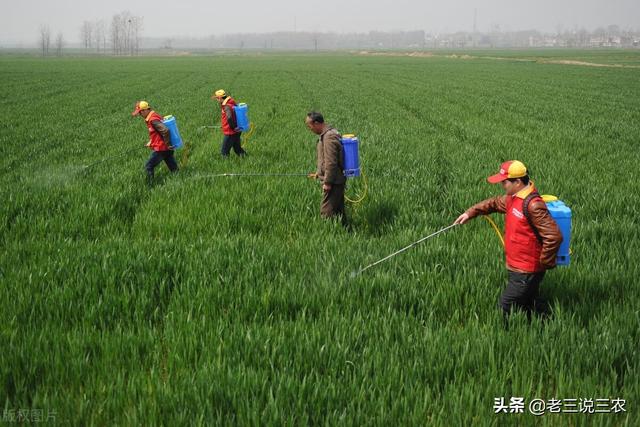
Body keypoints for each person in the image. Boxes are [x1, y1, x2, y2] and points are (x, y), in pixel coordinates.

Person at [453, 160, 562, 323]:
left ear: (517, 182)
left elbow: (553, 236)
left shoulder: (532, 205)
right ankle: (548, 327)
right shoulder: (514, 198)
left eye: (504, 182)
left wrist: (544, 262)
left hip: (526, 269)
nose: (502, 185)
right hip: (517, 265)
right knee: (530, 302)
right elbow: (495, 203)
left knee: (504, 307)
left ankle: (500, 336)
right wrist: (470, 213)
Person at [305, 111, 346, 222]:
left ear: (317, 123)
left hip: (334, 181)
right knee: (338, 211)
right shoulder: (329, 133)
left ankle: (330, 235)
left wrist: (327, 182)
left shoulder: (328, 137)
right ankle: (345, 232)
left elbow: (331, 162)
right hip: (336, 179)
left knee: (326, 213)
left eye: (310, 126)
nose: (310, 129)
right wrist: (319, 173)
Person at [132, 101, 177, 184]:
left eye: (140, 113)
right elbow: (158, 133)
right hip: (166, 148)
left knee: (148, 166)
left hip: (162, 149)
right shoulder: (154, 116)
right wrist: (151, 142)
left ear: (145, 110)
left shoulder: (153, 120)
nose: (140, 115)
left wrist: (167, 144)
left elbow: (165, 130)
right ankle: (179, 179)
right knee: (174, 169)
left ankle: (150, 186)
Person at [212, 89, 246, 157]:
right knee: (238, 149)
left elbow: (229, 118)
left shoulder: (226, 106)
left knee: (224, 152)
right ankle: (246, 159)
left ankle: (226, 165)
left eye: (217, 98)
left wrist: (232, 127)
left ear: (220, 98)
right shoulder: (231, 102)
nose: (217, 100)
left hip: (230, 132)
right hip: (236, 131)